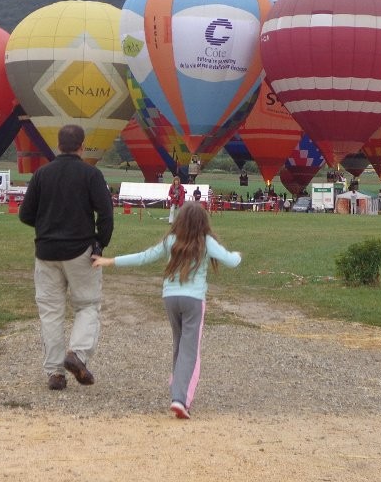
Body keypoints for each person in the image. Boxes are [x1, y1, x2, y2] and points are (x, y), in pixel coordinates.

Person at [93, 202, 241, 419]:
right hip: (193, 300)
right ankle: (181, 399)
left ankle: (177, 386)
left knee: (179, 344)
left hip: (170, 298)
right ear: (203, 223)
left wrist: (110, 261)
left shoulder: (171, 240)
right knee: (190, 351)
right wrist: (238, 254)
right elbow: (231, 261)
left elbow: (143, 256)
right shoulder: (206, 241)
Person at [19, 124, 114, 391]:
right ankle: (78, 355)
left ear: (57, 145)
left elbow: (25, 214)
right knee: (87, 306)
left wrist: (46, 227)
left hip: (46, 253)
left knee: (51, 313)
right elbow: (106, 213)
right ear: (82, 146)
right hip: (80, 251)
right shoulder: (91, 174)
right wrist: (100, 242)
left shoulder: (41, 174)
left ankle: (55, 373)